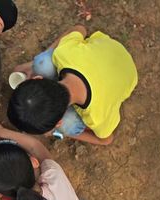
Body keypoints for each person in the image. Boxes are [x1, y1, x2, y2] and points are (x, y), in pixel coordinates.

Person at [8, 25, 138, 145]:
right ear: (37, 78)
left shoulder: (97, 116)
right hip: (112, 50)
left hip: (129, 75)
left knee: (69, 125)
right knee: (42, 63)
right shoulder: (64, 53)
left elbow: (106, 140)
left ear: (58, 122)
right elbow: (80, 28)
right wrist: (31, 64)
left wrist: (57, 131)